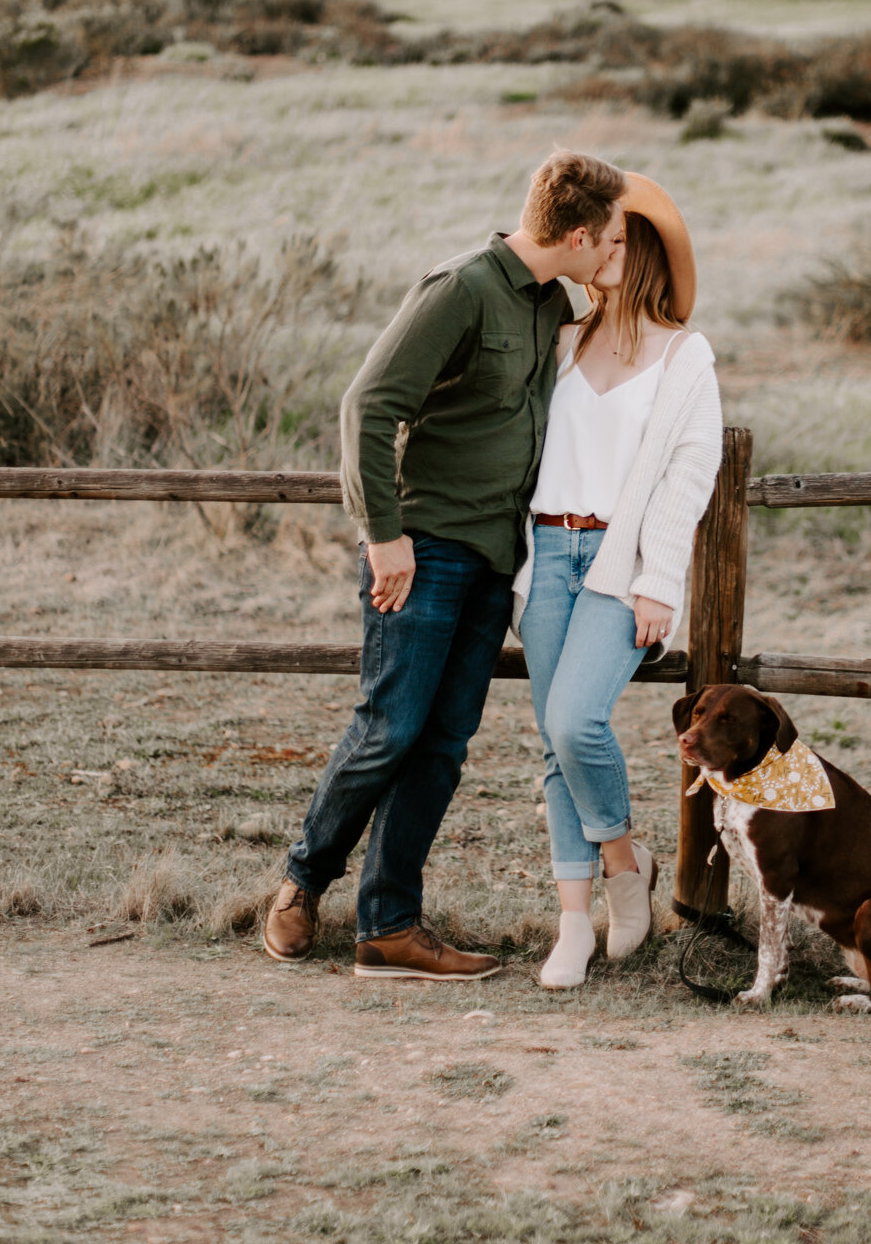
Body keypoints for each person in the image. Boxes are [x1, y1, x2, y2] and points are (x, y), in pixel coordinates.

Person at [263, 149, 628, 980]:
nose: (612, 252)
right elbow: (370, 401)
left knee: (441, 745)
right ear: (575, 233)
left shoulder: (551, 304)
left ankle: (389, 929)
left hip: (496, 560)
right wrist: (380, 534)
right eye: (607, 239)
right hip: (422, 548)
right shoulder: (462, 286)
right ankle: (299, 883)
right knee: (388, 726)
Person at [513, 175, 723, 988]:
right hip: (544, 555)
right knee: (552, 742)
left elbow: (689, 472)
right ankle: (575, 918)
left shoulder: (684, 354)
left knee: (574, 721)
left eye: (613, 234)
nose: (596, 243)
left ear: (639, 252)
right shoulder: (560, 341)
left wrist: (658, 581)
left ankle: (623, 865)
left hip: (617, 565)